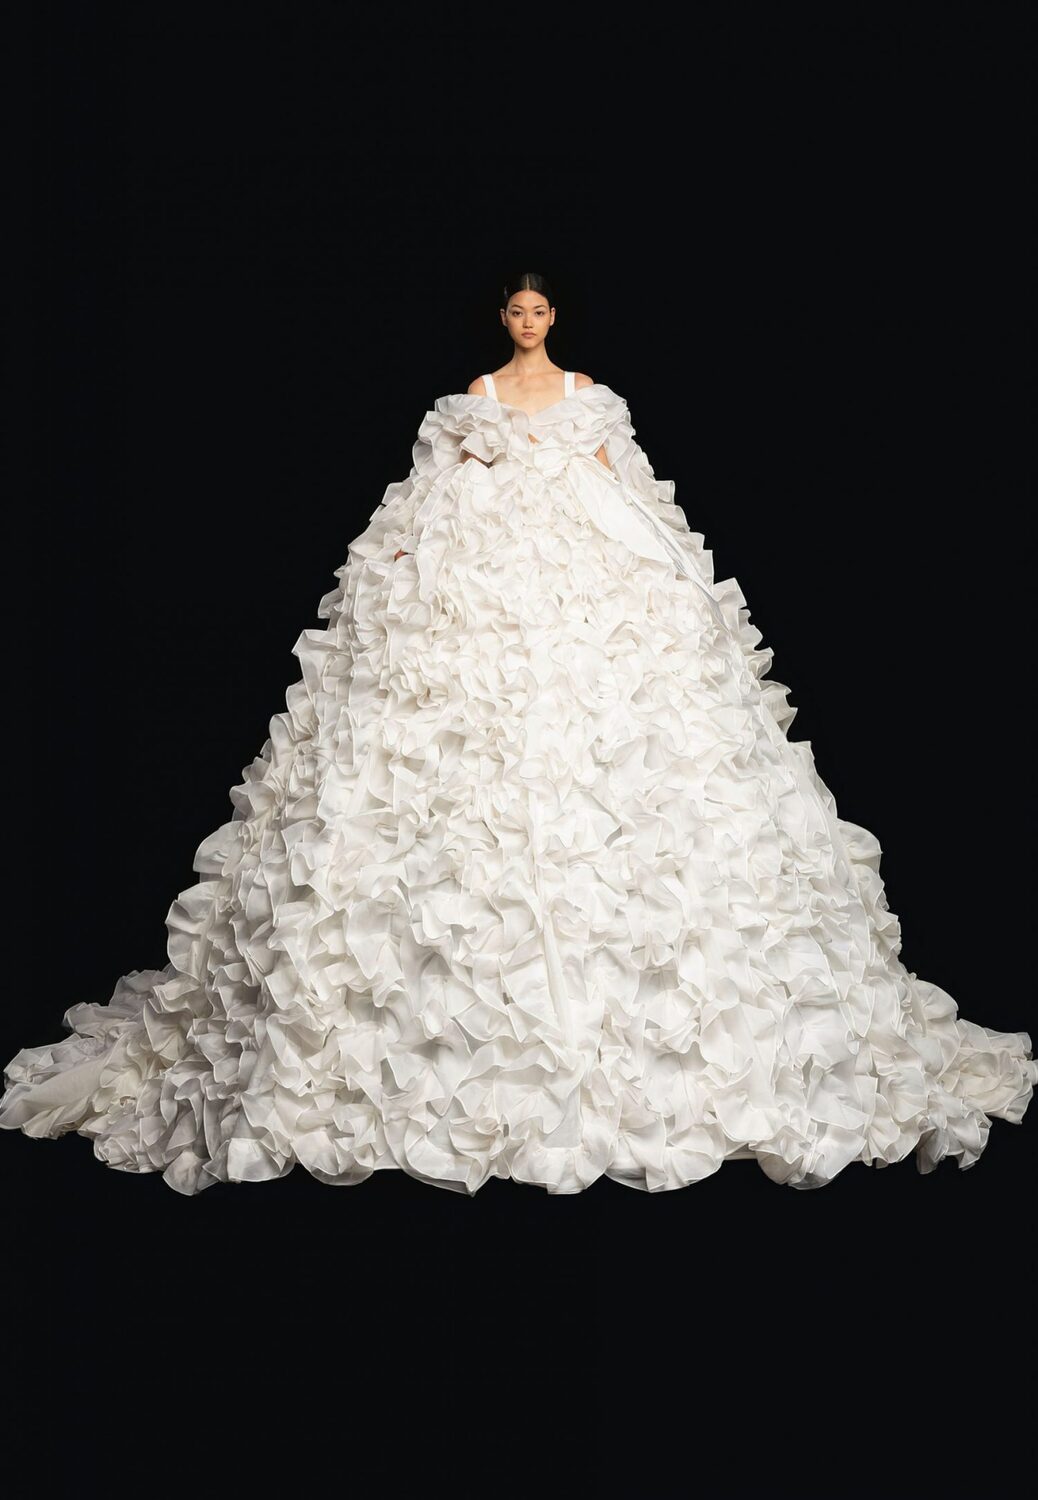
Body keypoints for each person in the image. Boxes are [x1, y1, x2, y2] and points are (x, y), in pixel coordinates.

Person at [2, 270, 1034, 1197]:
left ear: (554, 317)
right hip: (486, 586)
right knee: (441, 775)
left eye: (541, 310)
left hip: (590, 587)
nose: (530, 321)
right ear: (503, 317)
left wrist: (674, 579)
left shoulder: (592, 398)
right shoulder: (475, 400)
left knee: (632, 771)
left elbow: (628, 489)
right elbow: (430, 497)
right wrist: (399, 570)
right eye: (518, 310)